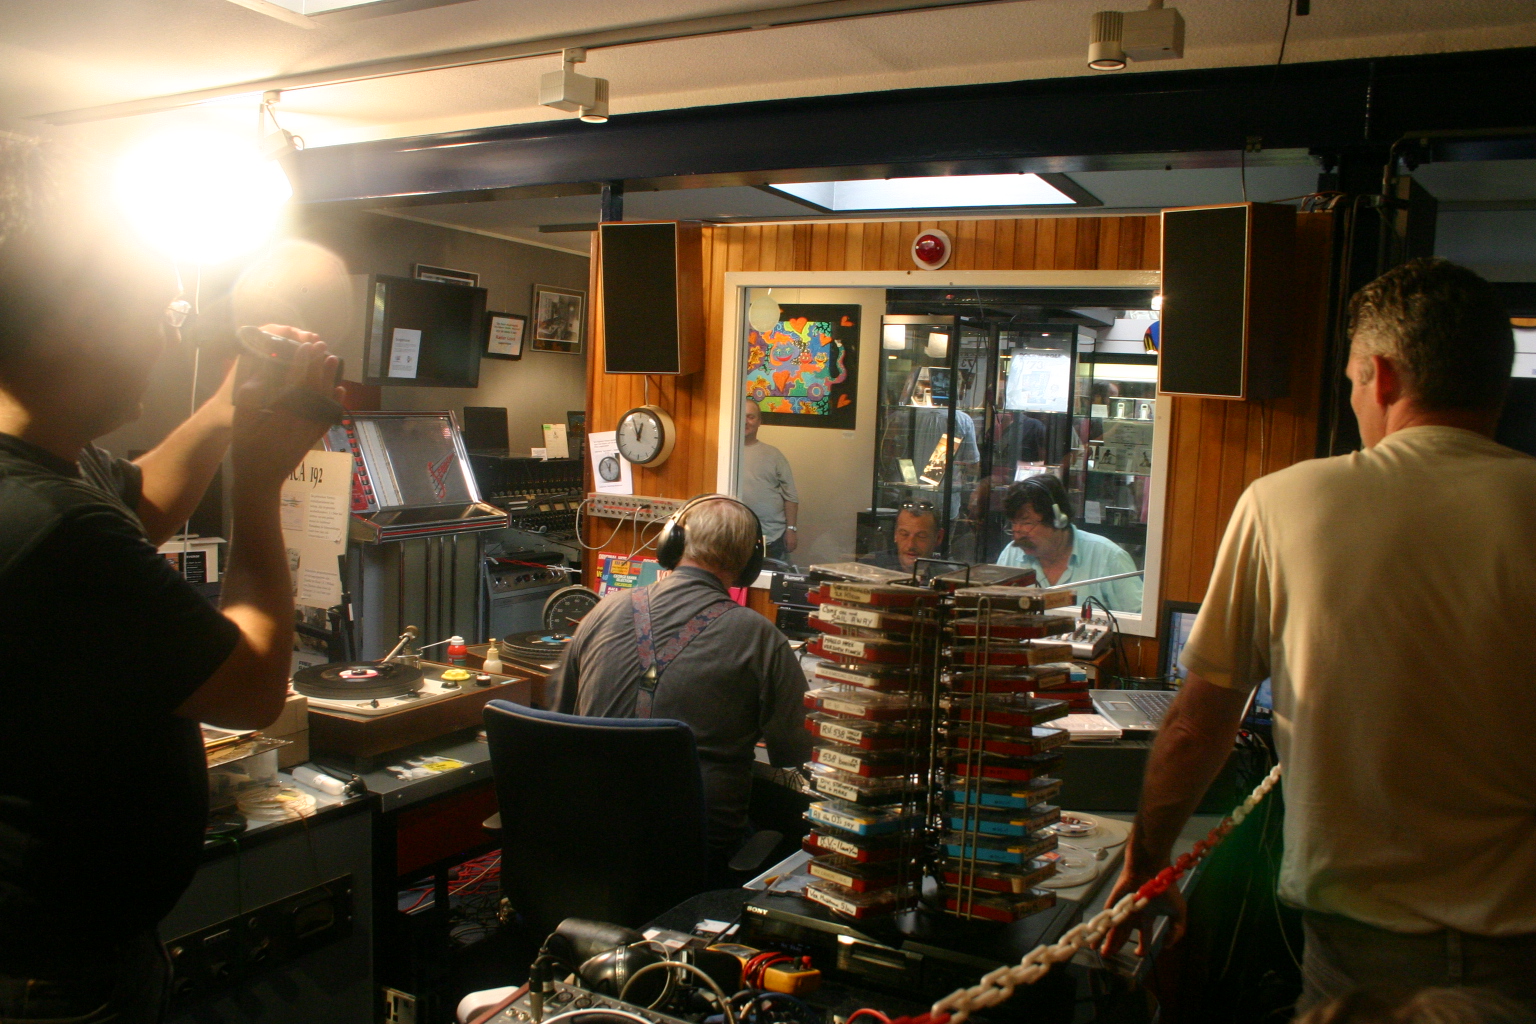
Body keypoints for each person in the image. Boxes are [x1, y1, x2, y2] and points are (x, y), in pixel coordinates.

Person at [1099, 259, 1536, 1012]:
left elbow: (1197, 725)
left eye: (1353, 382)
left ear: (1382, 377)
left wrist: (1146, 865)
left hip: (1359, 954)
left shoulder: (1286, 502)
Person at [0, 133, 342, 1022]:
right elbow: (253, 684)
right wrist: (257, 484)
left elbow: (140, 499)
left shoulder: (44, 471)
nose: (168, 332)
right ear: (77, 317)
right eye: (160, 310)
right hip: (59, 981)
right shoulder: (52, 523)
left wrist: (230, 404)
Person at [545, 495, 811, 875]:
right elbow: (795, 750)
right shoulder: (761, 637)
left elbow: (559, 715)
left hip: (587, 835)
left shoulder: (602, 611)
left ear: (673, 542)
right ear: (750, 563)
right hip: (694, 853)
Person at [994, 474, 1142, 612]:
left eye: (1027, 523)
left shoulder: (1109, 558)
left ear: (1058, 520)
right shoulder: (1011, 556)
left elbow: (1140, 621)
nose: (1017, 534)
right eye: (1013, 524)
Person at [740, 398, 799, 561]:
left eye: (751, 417)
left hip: (772, 538)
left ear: (759, 422)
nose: (745, 421)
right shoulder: (723, 451)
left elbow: (791, 496)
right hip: (734, 537)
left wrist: (791, 529)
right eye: (742, 416)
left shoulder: (774, 455)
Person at [862, 503, 943, 573]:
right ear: (895, 534)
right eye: (904, 534)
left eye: (921, 536)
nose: (910, 545)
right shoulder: (870, 566)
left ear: (938, 538)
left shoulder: (945, 577)